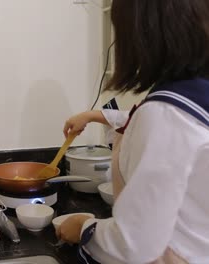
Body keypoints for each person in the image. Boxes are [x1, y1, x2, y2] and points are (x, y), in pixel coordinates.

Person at [56, 0, 209, 263]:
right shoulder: (190, 97)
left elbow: (133, 245)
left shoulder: (165, 113)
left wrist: (84, 228)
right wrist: (93, 115)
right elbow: (140, 121)